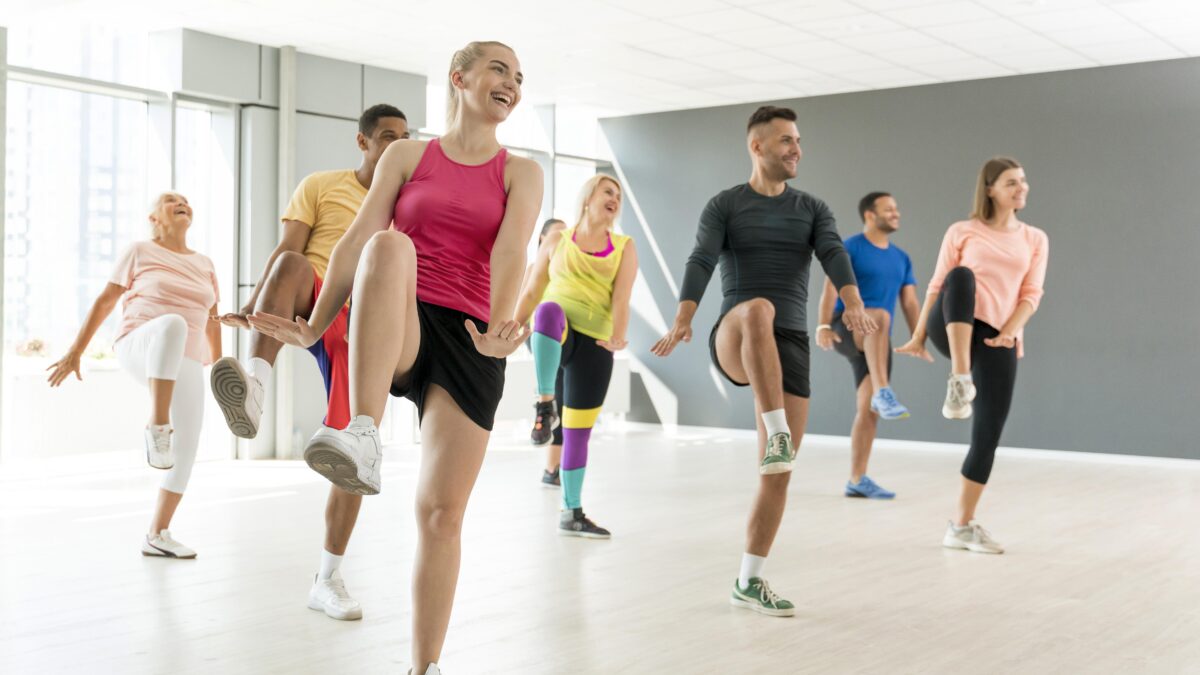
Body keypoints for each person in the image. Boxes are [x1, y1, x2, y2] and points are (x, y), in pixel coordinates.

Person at [246, 42, 541, 675]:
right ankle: (362, 433)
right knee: (386, 245)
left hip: (471, 336)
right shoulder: (408, 157)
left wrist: (496, 328)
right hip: (402, 317)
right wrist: (315, 325)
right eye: (499, 70)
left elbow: (514, 251)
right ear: (459, 79)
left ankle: (423, 667)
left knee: (440, 514)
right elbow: (354, 243)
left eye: (518, 78)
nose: (511, 83)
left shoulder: (522, 172)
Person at [652, 106, 877, 617]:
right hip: (737, 334)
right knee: (758, 307)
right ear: (757, 147)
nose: (796, 148)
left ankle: (748, 581)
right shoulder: (726, 205)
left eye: (798, 140)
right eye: (785, 141)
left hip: (790, 345)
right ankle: (773, 429)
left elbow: (834, 253)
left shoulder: (812, 207)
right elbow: (701, 259)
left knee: (777, 475)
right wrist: (685, 317)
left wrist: (854, 301)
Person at [210, 104, 410, 621]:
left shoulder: (407, 203)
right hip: (312, 294)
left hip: (363, 321)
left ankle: (328, 577)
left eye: (406, 138)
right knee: (295, 263)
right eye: (388, 136)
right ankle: (254, 386)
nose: (397, 144)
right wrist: (254, 311)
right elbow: (284, 253)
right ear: (363, 142)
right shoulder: (321, 185)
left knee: (351, 451)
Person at [47, 192, 220, 559]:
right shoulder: (140, 251)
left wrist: (219, 368)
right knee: (172, 324)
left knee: (188, 446)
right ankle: (158, 426)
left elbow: (212, 320)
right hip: (138, 343)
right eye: (170, 200)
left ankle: (157, 534)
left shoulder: (205, 263)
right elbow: (105, 301)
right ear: (154, 218)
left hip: (184, 358)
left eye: (186, 199)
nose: (181, 202)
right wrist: (76, 352)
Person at [896, 156, 1049, 555]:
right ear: (990, 190)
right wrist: (916, 336)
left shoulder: (1035, 239)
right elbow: (936, 285)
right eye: (1012, 182)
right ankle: (960, 379)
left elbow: (1031, 294)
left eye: (1023, 181)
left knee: (987, 437)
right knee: (960, 276)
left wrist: (1010, 334)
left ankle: (961, 526)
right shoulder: (963, 231)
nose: (1022, 188)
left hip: (998, 336)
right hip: (950, 325)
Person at [516, 175, 637, 538]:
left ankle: (572, 511)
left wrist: (618, 336)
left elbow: (621, 297)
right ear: (588, 198)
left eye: (619, 195)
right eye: (608, 192)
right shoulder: (557, 240)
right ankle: (543, 405)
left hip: (595, 344)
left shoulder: (623, 246)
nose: (615, 198)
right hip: (559, 332)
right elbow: (534, 286)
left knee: (577, 432)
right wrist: (512, 326)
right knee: (548, 309)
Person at [815, 191, 921, 499]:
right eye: (889, 209)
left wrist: (917, 338)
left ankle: (857, 479)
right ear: (869, 215)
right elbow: (830, 290)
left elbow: (911, 303)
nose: (896, 213)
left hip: (877, 339)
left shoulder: (901, 258)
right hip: (846, 326)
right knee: (877, 314)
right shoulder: (849, 248)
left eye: (896, 208)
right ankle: (884, 392)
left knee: (867, 411)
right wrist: (823, 325)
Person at [521, 218, 567, 487]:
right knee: (558, 399)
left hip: (565, 335)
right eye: (557, 234)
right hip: (541, 335)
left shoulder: (568, 268)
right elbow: (524, 303)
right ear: (543, 240)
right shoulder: (533, 269)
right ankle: (552, 469)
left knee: (565, 402)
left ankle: (554, 468)